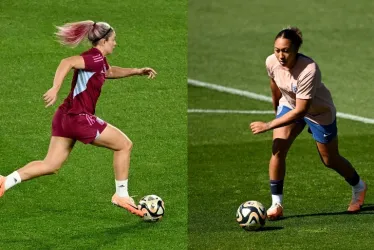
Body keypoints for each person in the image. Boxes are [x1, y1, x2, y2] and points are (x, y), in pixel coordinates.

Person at [0, 20, 157, 217]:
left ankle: (6, 180)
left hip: (64, 116)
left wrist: (136, 71)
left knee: (51, 165)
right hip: (79, 118)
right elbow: (67, 62)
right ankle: (121, 195)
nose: (115, 43)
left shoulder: (98, 61)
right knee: (124, 145)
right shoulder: (94, 59)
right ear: (104, 41)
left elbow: (109, 71)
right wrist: (55, 88)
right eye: (113, 40)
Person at [249, 26, 367, 220]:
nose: (280, 55)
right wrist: (277, 113)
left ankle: (359, 187)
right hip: (289, 104)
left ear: (296, 50)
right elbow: (275, 87)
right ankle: (276, 204)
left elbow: (302, 110)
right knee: (278, 148)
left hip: (318, 112)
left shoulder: (309, 70)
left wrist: (269, 124)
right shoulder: (271, 62)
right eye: (277, 50)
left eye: (286, 50)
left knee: (330, 159)